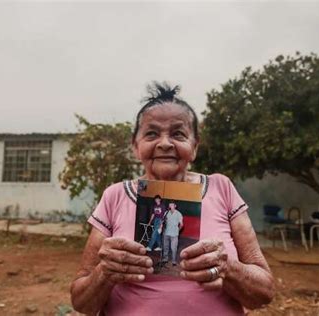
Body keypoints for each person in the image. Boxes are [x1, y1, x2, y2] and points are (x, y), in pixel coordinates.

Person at [70, 82, 274, 315]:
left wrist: (227, 267)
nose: (165, 143)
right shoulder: (114, 196)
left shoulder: (222, 188)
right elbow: (82, 303)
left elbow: (264, 293)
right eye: (151, 133)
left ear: (194, 147)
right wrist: (104, 273)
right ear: (136, 147)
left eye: (178, 133)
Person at [162, 201, 183, 266]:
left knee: (173, 248)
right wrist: (161, 227)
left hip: (174, 234)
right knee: (165, 247)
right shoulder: (166, 212)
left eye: (172, 205)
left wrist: (178, 231)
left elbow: (182, 224)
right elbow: (163, 221)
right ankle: (165, 258)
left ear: (175, 206)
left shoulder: (178, 214)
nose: (170, 206)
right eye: (169, 205)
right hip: (166, 232)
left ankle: (173, 261)